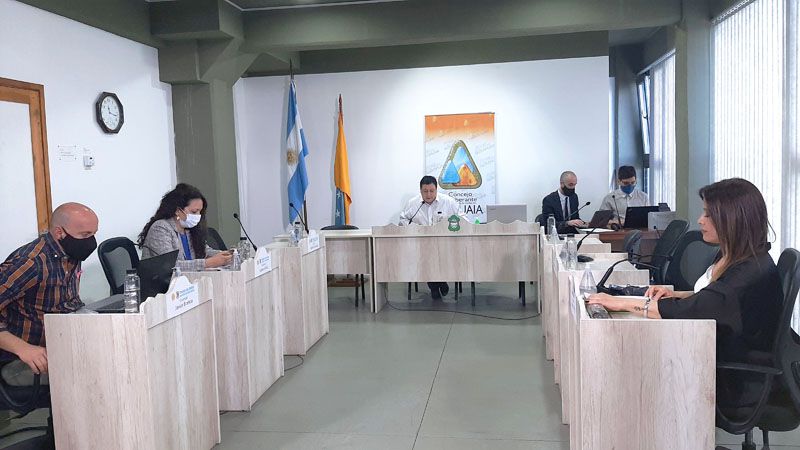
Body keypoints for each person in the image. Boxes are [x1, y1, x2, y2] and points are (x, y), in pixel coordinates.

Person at [587, 178, 781, 408]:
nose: (700, 220)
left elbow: (700, 309)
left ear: (732, 219)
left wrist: (622, 303)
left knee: (638, 364)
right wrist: (678, 295)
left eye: (708, 215)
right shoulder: (734, 255)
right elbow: (713, 298)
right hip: (715, 351)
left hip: (732, 377)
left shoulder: (748, 271)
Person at [0, 203, 99, 380]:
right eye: (85, 235)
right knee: (94, 377)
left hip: (61, 343)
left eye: (93, 234)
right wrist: (22, 348)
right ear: (59, 233)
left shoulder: (70, 252)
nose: (90, 241)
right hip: (25, 356)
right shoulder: (31, 263)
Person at [139, 183, 232, 271]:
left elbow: (205, 252)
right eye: (194, 212)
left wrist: (226, 255)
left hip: (188, 283)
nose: (198, 216)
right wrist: (207, 263)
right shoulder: (160, 228)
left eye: (200, 212)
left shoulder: (190, 230)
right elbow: (171, 266)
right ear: (178, 211)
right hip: (164, 286)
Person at [398, 175, 463, 300]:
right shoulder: (413, 204)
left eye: (431, 191)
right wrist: (414, 227)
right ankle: (435, 286)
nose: (428, 195)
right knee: (425, 258)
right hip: (420, 243)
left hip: (445, 243)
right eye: (425, 191)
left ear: (436, 190)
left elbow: (462, 218)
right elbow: (402, 220)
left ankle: (440, 282)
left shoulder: (448, 202)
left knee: (441, 256)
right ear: (420, 191)